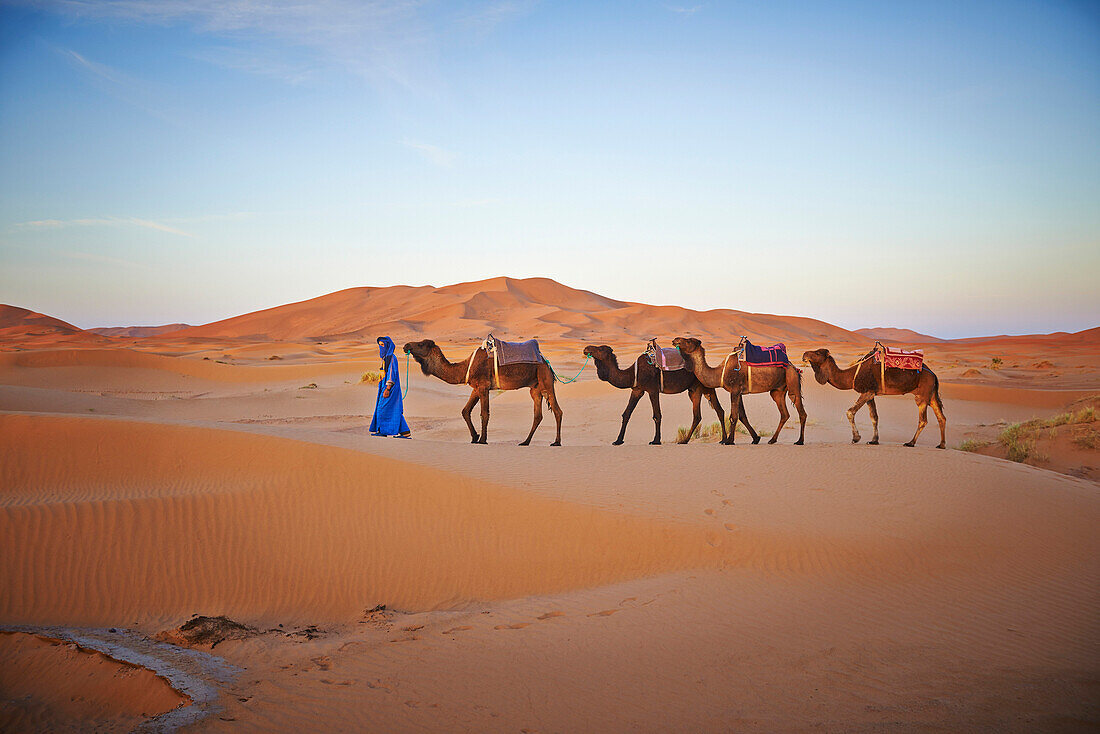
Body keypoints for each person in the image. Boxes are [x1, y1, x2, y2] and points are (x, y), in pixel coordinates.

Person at [369, 336, 411, 438]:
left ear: (388, 345)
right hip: (384, 387)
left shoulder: (391, 358)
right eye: (379, 345)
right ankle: (405, 432)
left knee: (382, 408)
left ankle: (383, 431)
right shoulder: (385, 358)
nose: (381, 347)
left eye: (382, 344)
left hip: (390, 388)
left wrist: (388, 388)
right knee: (393, 409)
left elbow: (392, 374)